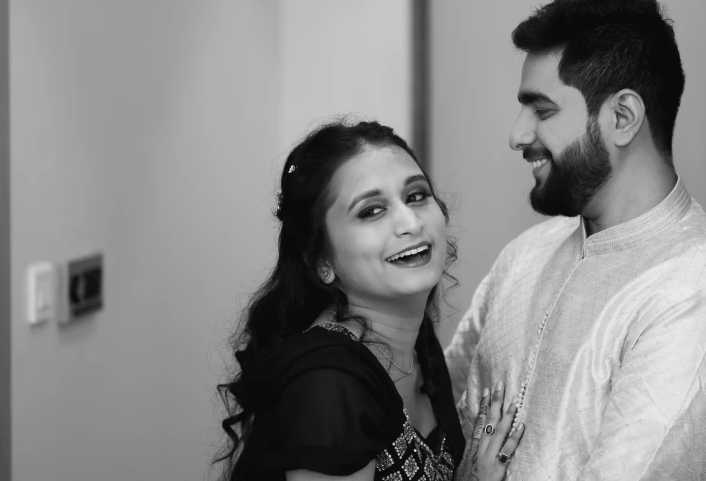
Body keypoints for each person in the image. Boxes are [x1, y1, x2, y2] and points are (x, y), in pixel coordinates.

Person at [444, 0, 706, 480]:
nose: (517, 134)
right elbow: (440, 415)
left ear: (622, 117)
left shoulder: (698, 292)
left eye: (542, 109)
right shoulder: (527, 254)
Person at [215, 120, 524, 481]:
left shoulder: (420, 349)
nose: (410, 222)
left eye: (416, 195)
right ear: (322, 263)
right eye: (371, 211)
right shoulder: (328, 384)